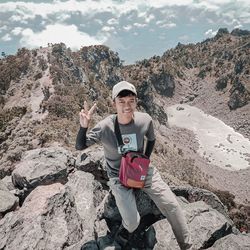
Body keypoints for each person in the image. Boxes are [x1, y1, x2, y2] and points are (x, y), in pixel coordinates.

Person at [75, 81, 192, 249]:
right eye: (121, 101)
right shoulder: (104, 127)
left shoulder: (145, 120)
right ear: (113, 103)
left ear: (136, 101)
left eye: (131, 101)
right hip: (118, 176)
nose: (126, 106)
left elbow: (151, 139)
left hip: (142, 171)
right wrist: (83, 126)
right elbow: (80, 146)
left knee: (172, 205)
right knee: (132, 222)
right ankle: (124, 232)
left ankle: (187, 245)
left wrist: (144, 161)